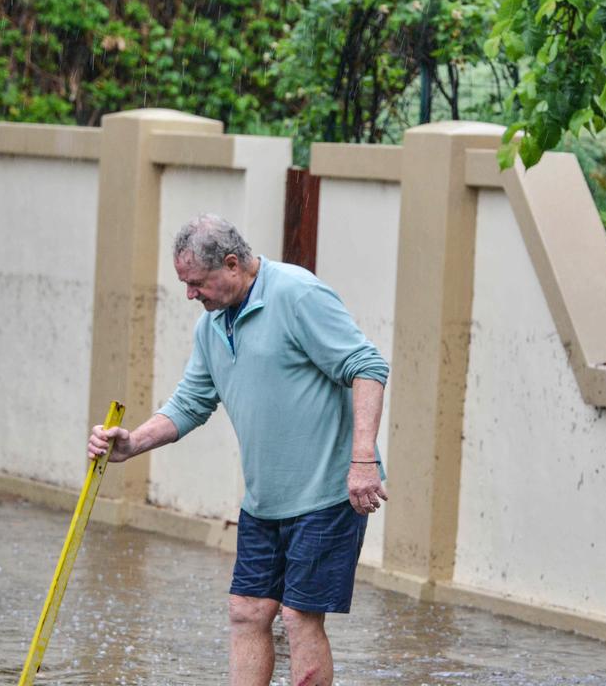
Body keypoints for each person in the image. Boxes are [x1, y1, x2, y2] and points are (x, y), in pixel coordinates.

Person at [87, 214, 389, 686]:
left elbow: (367, 366)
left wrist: (364, 461)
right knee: (246, 611)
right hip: (264, 502)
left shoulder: (296, 294)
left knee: (298, 616)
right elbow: (189, 403)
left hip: (328, 493)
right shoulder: (212, 326)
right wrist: (133, 442)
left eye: (197, 284)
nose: (190, 295)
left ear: (232, 264)